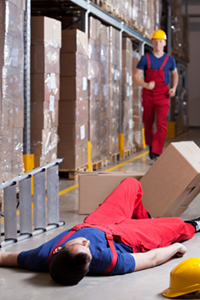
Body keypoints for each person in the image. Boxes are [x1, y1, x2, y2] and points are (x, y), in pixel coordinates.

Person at [0, 177, 199, 286]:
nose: (86, 244)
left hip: (98, 222)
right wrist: (176, 247)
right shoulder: (108, 262)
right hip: (126, 237)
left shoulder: (39, 257)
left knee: (132, 184)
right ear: (89, 266)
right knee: (177, 225)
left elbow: (6, 257)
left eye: (79, 244)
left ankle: (145, 221)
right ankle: (195, 225)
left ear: (58, 249)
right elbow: (153, 258)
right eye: (88, 254)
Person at [132, 29, 179, 160]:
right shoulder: (145, 59)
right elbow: (135, 77)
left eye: (161, 41)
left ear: (164, 43)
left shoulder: (170, 60)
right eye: (156, 41)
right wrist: (145, 85)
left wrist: (174, 88)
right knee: (147, 122)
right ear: (152, 42)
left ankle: (157, 150)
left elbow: (175, 74)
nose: (158, 44)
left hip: (163, 94)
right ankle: (151, 145)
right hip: (148, 94)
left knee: (162, 124)